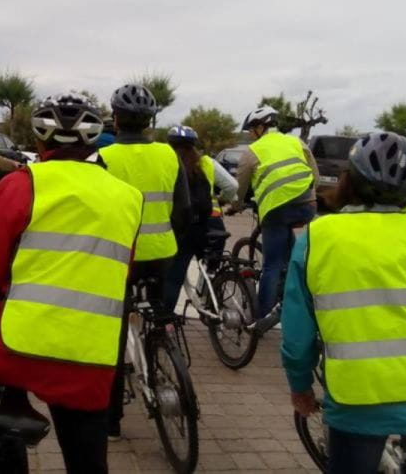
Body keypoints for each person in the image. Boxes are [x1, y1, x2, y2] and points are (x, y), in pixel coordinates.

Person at [0, 93, 142, 474]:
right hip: (91, 360)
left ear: (39, 143)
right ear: (92, 142)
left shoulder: (22, 185)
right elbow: (120, 270)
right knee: (88, 462)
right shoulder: (129, 198)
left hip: (18, 351)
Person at [282, 132, 406, 474]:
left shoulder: (318, 236)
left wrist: (301, 388)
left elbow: (297, 336)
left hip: (362, 397)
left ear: (348, 181)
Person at [98, 84, 190, 440]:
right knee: (158, 313)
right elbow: (182, 210)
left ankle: (111, 420)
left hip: (122, 256)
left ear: (116, 118)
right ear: (150, 120)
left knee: (115, 332)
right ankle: (163, 354)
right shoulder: (170, 155)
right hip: (163, 253)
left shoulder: (104, 156)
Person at [232, 105, 318, 335]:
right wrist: (311, 197)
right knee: (289, 258)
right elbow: (315, 174)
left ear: (261, 127)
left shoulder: (252, 152)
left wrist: (236, 205)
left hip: (277, 210)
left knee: (271, 264)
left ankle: (260, 319)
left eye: (252, 129)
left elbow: (241, 186)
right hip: (307, 206)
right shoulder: (297, 143)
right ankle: (294, 297)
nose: (251, 134)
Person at [162, 126, 238, 312]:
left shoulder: (167, 163)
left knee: (174, 277)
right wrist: (222, 199)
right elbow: (232, 185)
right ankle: (210, 300)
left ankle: (164, 323)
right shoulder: (207, 163)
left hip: (183, 226)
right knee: (211, 267)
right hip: (212, 224)